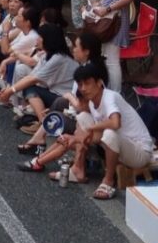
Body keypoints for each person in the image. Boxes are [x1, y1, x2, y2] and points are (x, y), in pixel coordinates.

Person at [20, 64, 154, 200]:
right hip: (120, 146)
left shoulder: (110, 97)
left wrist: (90, 129)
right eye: (80, 84)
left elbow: (115, 123)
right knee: (83, 117)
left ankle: (108, 181)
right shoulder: (91, 103)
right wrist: (74, 139)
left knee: (109, 133)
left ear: (99, 82)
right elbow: (94, 136)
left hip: (140, 152)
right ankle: (78, 169)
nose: (83, 88)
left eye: (87, 83)